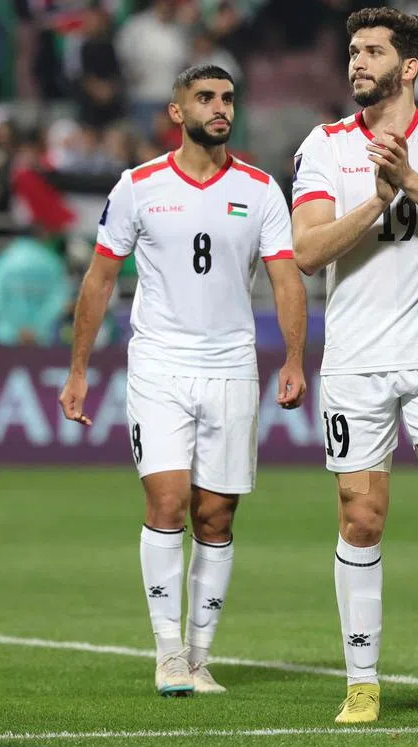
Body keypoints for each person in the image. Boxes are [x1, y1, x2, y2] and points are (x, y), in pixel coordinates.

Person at [58, 64, 308, 697]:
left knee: (216, 517)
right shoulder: (138, 186)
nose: (220, 107)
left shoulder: (260, 190)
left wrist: (295, 358)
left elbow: (285, 280)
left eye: (227, 98)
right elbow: (99, 280)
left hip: (230, 366)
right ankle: (169, 653)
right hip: (159, 365)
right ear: (178, 112)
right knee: (166, 503)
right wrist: (80, 369)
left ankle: (199, 656)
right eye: (205, 98)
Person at [290, 7, 418, 727]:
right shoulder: (324, 147)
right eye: (352, 50)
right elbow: (309, 251)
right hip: (356, 361)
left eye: (373, 51)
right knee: (362, 516)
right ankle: (362, 681)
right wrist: (376, 205)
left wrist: (410, 180)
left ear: (407, 67)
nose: (357, 62)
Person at [0, 232, 70, 346]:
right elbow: (57, 299)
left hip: (7, 336)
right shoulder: (51, 261)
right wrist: (36, 328)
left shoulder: (3, 260)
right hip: (41, 337)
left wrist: (16, 329)